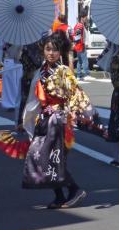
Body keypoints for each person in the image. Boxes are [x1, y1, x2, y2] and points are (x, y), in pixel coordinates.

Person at [22, 31, 91, 209]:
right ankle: (59, 196)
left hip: (59, 120)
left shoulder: (63, 71)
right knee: (41, 158)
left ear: (60, 52)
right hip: (44, 119)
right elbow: (33, 97)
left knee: (53, 159)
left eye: (54, 50)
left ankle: (74, 190)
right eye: (48, 49)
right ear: (43, 50)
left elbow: (75, 95)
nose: (51, 53)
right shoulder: (41, 70)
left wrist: (68, 111)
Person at [73, 10, 92, 80]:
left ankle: (78, 75)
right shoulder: (80, 25)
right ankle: (86, 74)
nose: (86, 19)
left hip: (79, 45)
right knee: (84, 60)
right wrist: (80, 42)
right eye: (85, 18)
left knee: (80, 61)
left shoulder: (80, 25)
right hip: (81, 45)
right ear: (82, 18)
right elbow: (77, 36)